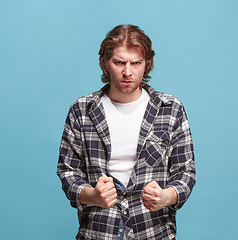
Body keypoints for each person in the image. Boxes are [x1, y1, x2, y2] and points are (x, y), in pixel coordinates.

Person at [57, 24, 196, 240]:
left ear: (146, 64)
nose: (127, 72)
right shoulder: (81, 110)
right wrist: (93, 195)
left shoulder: (171, 109)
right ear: (106, 63)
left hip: (154, 232)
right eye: (119, 62)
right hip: (98, 232)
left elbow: (185, 172)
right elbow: (68, 172)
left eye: (136, 63)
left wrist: (165, 197)